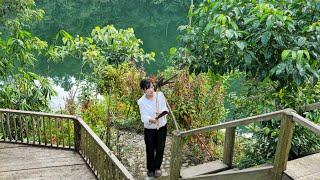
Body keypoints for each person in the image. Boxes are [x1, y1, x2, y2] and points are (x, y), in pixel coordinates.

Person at [137, 78, 169, 178]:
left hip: (161, 127)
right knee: (150, 149)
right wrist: (151, 119)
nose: (151, 90)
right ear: (143, 90)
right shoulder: (141, 101)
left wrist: (161, 113)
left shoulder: (160, 95)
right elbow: (143, 117)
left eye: (151, 87)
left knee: (160, 148)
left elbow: (165, 109)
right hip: (149, 129)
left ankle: (157, 168)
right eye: (148, 88)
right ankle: (150, 168)